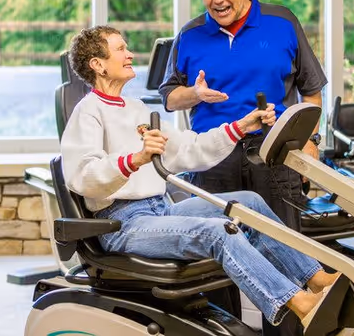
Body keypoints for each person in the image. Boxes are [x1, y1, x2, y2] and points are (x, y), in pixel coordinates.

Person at [60, 25, 339, 329]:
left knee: (248, 204)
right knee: (219, 232)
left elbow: (188, 148)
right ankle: (300, 304)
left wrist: (241, 127)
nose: (129, 55)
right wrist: (135, 159)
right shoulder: (87, 112)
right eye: (120, 49)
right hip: (124, 224)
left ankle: (317, 279)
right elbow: (82, 176)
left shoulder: (137, 108)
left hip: (160, 209)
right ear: (97, 64)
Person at [160, 0, 328, 336]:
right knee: (218, 259)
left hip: (274, 154)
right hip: (212, 158)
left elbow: (312, 90)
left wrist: (311, 141)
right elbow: (169, 97)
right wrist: (195, 94)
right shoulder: (189, 35)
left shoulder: (281, 21)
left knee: (285, 250)